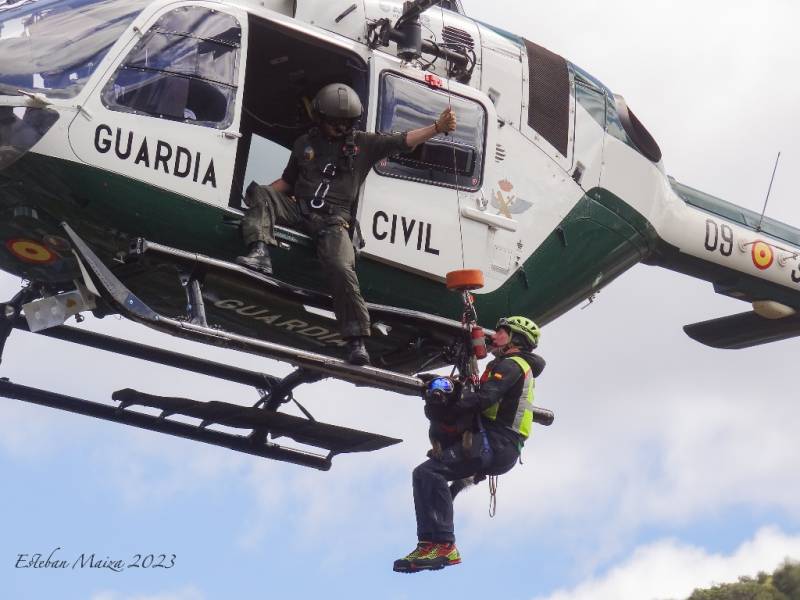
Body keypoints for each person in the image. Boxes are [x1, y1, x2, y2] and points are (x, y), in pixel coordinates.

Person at [236, 83, 457, 365]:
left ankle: (356, 340)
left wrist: (437, 128)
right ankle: (259, 253)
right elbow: (287, 182)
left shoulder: (364, 144)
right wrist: (258, 198)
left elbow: (403, 140)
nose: (341, 128)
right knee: (262, 192)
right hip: (299, 210)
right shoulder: (304, 144)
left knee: (341, 267)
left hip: (333, 221)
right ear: (320, 118)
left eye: (346, 123)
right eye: (335, 122)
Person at [393, 316, 546, 573]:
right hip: (492, 440)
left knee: (430, 473)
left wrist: (450, 405)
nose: (494, 336)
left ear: (515, 339)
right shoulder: (506, 365)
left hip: (498, 442)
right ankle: (429, 544)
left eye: (501, 332)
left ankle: (444, 545)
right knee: (423, 474)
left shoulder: (513, 365)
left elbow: (484, 398)